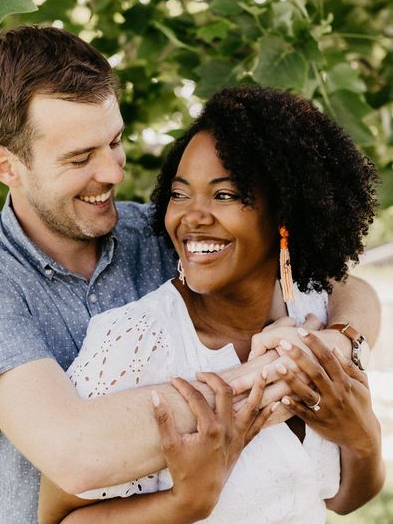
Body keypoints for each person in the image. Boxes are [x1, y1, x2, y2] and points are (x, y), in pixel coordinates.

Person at [0, 26, 381, 523]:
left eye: (114, 142)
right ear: (6, 166)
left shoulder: (161, 232)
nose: (114, 172)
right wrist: (270, 373)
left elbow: (342, 284)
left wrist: (339, 343)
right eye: (81, 158)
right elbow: (77, 454)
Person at [39, 85, 385, 523]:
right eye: (180, 194)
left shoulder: (314, 315)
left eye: (223, 195)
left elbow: (341, 499)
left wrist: (363, 437)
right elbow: (56, 517)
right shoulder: (132, 343)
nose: (192, 216)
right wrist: (184, 503)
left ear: (285, 214)